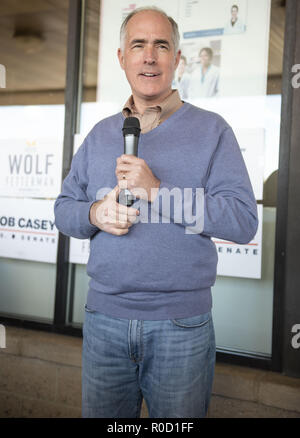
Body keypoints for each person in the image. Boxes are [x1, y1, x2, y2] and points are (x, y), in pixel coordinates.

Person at [54, 6, 258, 418]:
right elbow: (63, 211)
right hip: (103, 321)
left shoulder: (212, 130)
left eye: (161, 46)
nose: (150, 56)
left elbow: (242, 221)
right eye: (139, 45)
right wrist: (95, 214)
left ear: (177, 59)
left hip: (180, 326)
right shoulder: (99, 135)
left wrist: (157, 191)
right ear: (122, 58)